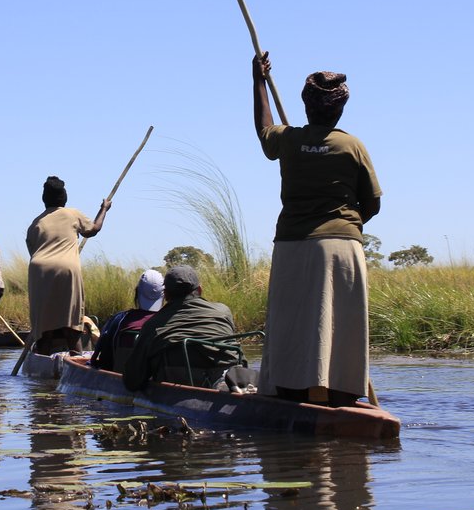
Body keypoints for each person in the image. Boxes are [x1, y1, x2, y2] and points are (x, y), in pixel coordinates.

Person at [252, 52, 382, 407]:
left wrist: (258, 81)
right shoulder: (352, 145)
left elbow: (264, 132)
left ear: (307, 105)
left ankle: (291, 395)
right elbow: (371, 204)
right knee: (340, 326)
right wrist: (344, 225)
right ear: (340, 109)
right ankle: (339, 396)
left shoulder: (290, 140)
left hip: (295, 245)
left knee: (292, 324)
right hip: (343, 247)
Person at [25, 175, 110, 355]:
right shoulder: (72, 214)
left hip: (39, 271)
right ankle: (77, 359)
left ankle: (42, 366)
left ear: (44, 199)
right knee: (71, 325)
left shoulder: (35, 224)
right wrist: (104, 209)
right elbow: (94, 229)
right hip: (67, 269)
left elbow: (33, 252)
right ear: (64, 198)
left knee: (44, 329)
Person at [122, 265, 240, 391]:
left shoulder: (153, 325)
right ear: (199, 290)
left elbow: (132, 381)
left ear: (165, 295)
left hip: (178, 391)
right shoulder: (223, 311)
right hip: (232, 381)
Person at [90, 269, 164, 371]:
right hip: (156, 381)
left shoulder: (120, 319)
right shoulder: (168, 322)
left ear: (137, 293)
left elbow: (100, 357)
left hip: (118, 379)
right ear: (163, 296)